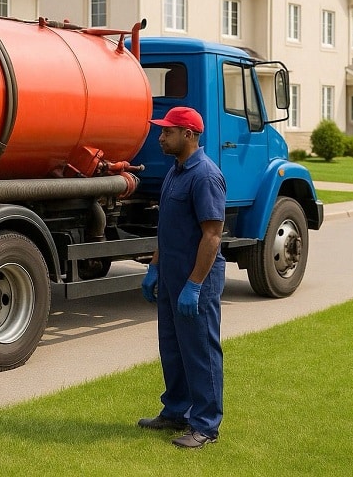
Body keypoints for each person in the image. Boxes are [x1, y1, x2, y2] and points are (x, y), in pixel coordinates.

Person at [138, 106, 226, 449]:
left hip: (196, 280)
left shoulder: (205, 175)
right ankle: (176, 410)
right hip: (171, 275)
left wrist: (194, 285)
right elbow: (167, 228)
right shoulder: (175, 172)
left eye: (167, 132)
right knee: (172, 348)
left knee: (200, 351)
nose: (160, 137)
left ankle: (205, 426)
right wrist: (155, 267)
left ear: (188, 135)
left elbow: (212, 236)